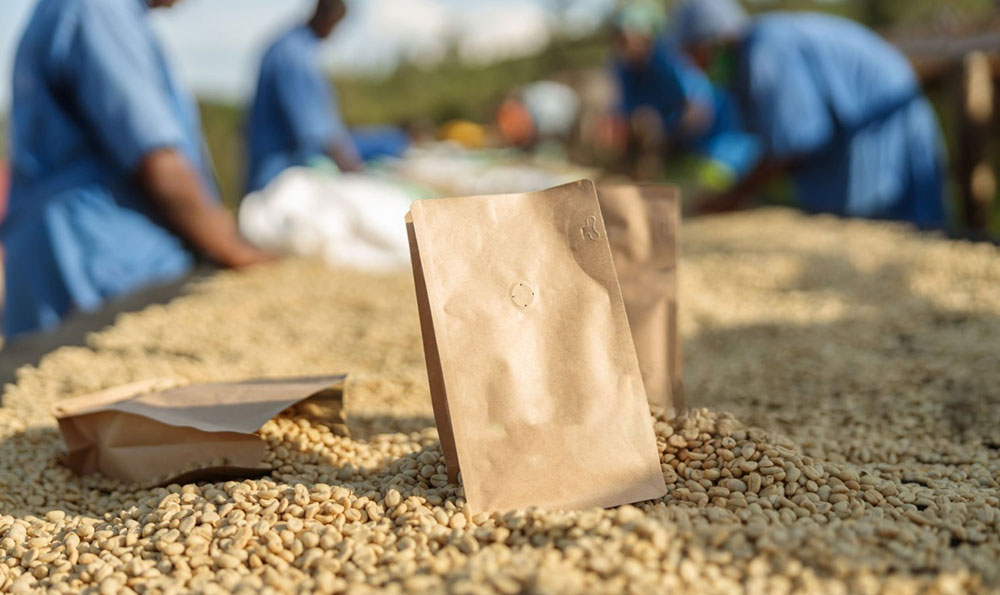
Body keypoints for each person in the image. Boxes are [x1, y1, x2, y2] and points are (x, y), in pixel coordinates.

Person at [1, 0, 270, 340]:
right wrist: (235, 250)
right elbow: (158, 160)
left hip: (85, 249)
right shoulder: (99, 10)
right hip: (90, 257)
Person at [675, 0, 947, 228]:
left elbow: (796, 142)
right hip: (857, 127)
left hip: (877, 122)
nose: (695, 67)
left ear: (713, 40)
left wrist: (733, 196)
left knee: (884, 228)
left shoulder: (766, 52)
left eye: (694, 54)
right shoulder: (753, 53)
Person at [612, 0, 760, 188]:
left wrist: (668, 135)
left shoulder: (671, 61)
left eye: (627, 37)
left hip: (707, 146)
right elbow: (626, 113)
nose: (623, 45)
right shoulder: (624, 70)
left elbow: (698, 111)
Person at [247, 0, 361, 194]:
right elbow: (316, 130)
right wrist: (356, 173)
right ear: (329, 18)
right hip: (279, 181)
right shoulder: (294, 55)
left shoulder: (291, 46)